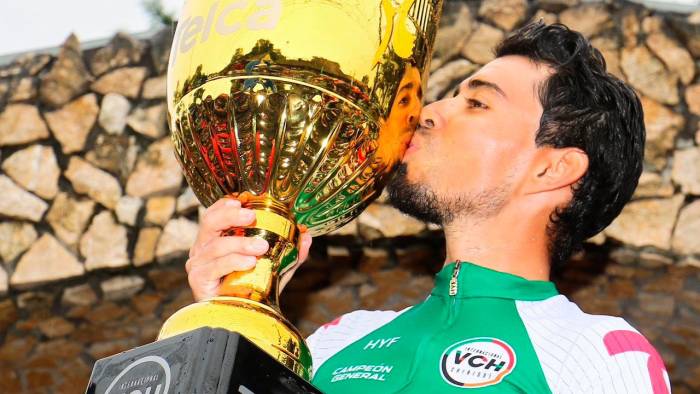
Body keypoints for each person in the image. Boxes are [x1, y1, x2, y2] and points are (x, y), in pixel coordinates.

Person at [184, 22, 670, 393]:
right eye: (450, 95)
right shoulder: (336, 342)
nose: (427, 111)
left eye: (477, 104)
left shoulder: (598, 356)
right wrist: (223, 323)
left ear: (553, 168)